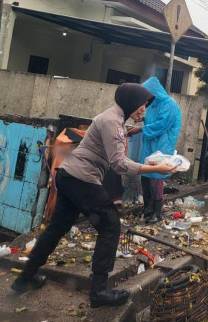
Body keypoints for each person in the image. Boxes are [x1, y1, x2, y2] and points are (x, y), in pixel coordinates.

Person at [11, 83, 178, 308]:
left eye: (146, 106)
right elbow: (119, 164)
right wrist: (157, 169)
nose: (143, 111)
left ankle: (25, 278)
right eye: (141, 106)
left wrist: (146, 164)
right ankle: (99, 291)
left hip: (70, 175)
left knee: (56, 228)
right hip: (81, 179)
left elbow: (116, 157)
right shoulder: (113, 122)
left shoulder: (115, 118)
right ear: (129, 102)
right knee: (110, 225)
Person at [129, 77, 182, 224]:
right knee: (146, 173)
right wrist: (142, 120)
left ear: (155, 92)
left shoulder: (170, 104)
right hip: (150, 143)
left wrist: (139, 129)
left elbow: (162, 124)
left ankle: (157, 213)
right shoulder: (152, 105)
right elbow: (152, 119)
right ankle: (148, 208)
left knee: (156, 176)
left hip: (163, 144)